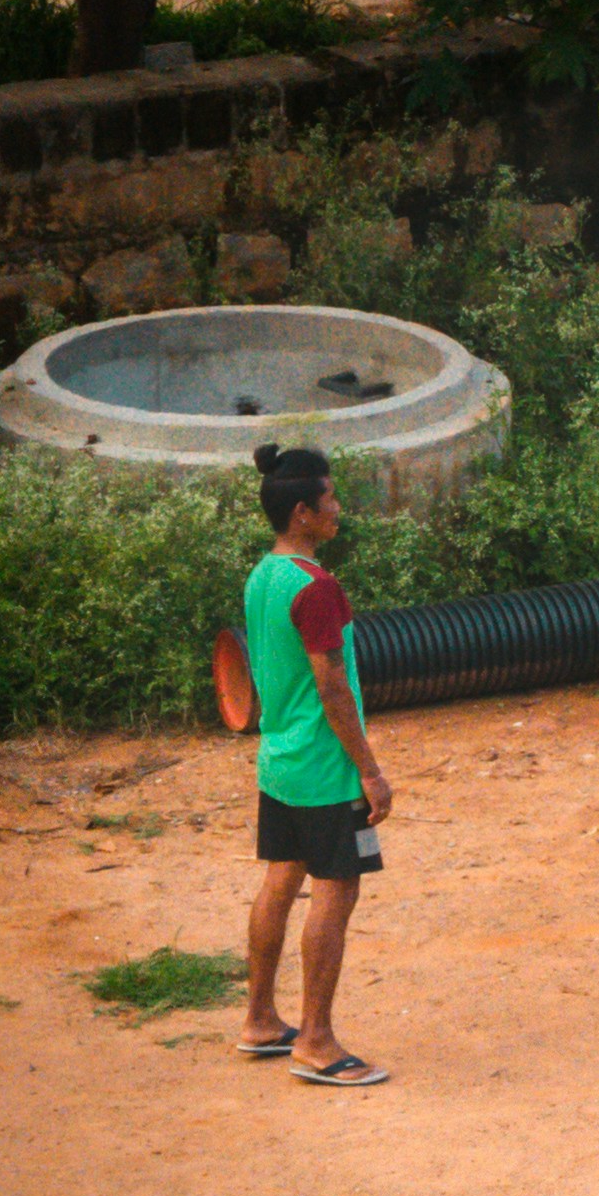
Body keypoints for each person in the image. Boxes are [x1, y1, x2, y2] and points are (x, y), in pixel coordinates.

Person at [210, 444, 395, 1087]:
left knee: (279, 883)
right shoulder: (319, 589)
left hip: (280, 763)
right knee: (336, 891)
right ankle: (315, 1041)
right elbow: (332, 687)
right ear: (302, 514)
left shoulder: (263, 576)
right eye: (330, 502)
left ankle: (260, 1019)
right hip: (324, 770)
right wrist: (369, 770)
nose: (338, 510)